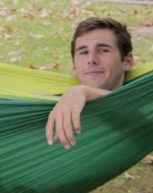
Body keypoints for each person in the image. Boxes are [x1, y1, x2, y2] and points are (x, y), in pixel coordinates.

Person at [45, 17, 134, 150]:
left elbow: (147, 125)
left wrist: (87, 92)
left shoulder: (147, 98)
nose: (91, 60)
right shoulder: (45, 101)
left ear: (127, 62)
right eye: (84, 52)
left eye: (104, 50)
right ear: (74, 66)